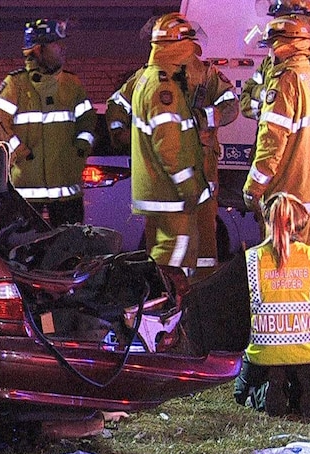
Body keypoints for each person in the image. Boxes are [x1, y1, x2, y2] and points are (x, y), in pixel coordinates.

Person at [107, 13, 239, 278]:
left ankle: (201, 286)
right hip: (178, 172)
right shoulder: (154, 78)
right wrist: (120, 133)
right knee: (173, 244)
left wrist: (205, 118)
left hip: (202, 164)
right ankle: (178, 295)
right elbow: (118, 106)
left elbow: (231, 105)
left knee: (203, 236)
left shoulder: (206, 73)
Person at [234, 192, 310, 417]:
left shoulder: (251, 259)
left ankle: (265, 390)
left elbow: (238, 311)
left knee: (241, 392)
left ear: (267, 223)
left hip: (263, 354)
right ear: (303, 227)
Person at [242, 16, 310, 253]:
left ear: (281, 46)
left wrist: (253, 187)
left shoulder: (284, 80)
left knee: (287, 273)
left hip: (291, 200)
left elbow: (271, 142)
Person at [0, 18, 97, 227]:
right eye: (57, 44)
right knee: (23, 253)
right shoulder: (15, 85)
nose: (63, 49)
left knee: (71, 252)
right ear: (39, 49)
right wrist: (19, 150)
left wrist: (81, 147)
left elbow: (88, 120)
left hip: (67, 192)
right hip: (25, 193)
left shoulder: (72, 84)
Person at [130, 12, 210, 275]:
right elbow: (170, 147)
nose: (192, 59)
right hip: (171, 195)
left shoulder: (151, 78)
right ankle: (165, 312)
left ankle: (163, 308)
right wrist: (188, 187)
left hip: (159, 193)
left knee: (165, 256)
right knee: (173, 261)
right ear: (176, 50)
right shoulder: (164, 88)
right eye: (188, 52)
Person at [239, 0, 310, 122]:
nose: (275, 24)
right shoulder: (269, 61)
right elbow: (245, 97)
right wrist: (267, 107)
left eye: (281, 20)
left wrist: (266, 100)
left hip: (298, 138)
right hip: (267, 133)